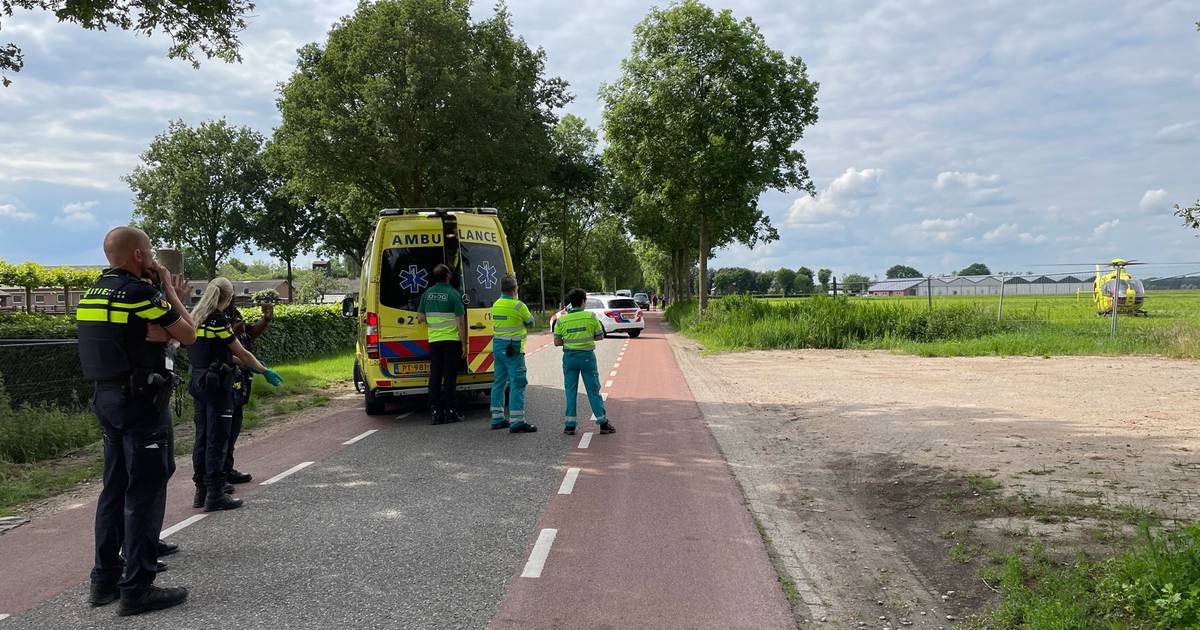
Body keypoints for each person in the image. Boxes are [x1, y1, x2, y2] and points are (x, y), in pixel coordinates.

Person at [77, 226, 195, 616]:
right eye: (150, 253)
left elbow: (122, 336)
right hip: (140, 403)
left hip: (106, 399)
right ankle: (138, 588)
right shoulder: (140, 294)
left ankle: (104, 580)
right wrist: (170, 290)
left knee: (113, 489)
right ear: (139, 256)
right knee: (145, 491)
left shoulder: (92, 293)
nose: (155, 261)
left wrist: (159, 333)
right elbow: (189, 334)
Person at [188, 279, 282, 512]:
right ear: (229, 297)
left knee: (202, 435)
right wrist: (263, 370)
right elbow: (241, 352)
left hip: (197, 380)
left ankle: (201, 491)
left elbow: (216, 352)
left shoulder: (195, 317)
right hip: (217, 384)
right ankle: (215, 493)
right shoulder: (218, 320)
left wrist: (252, 366)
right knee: (218, 438)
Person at [221, 301, 274, 484]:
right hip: (223, 379)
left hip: (239, 378)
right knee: (221, 430)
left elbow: (249, 334)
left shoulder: (233, 312)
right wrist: (255, 366)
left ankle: (226, 469)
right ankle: (216, 478)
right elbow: (220, 348)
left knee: (234, 426)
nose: (232, 297)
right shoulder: (213, 316)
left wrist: (265, 320)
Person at [555, 288, 615, 436]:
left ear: (571, 302)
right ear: (583, 301)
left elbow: (557, 342)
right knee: (593, 391)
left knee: (570, 391)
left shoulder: (561, 320)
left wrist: (569, 340)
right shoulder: (591, 317)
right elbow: (599, 336)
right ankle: (603, 423)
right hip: (587, 358)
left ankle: (569, 426)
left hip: (569, 358)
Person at [417, 264, 466, 425]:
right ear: (447, 276)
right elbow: (461, 322)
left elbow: (420, 317)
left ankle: (435, 411)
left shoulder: (427, 294)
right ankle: (450, 410)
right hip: (451, 341)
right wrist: (464, 344)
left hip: (434, 342)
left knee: (435, 376)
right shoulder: (454, 294)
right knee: (449, 377)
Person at [490, 274, 536, 433]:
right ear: (514, 289)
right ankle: (517, 422)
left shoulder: (496, 304)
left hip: (498, 347)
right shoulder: (519, 306)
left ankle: (497, 418)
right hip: (513, 349)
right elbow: (531, 322)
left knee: (499, 382)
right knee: (518, 382)